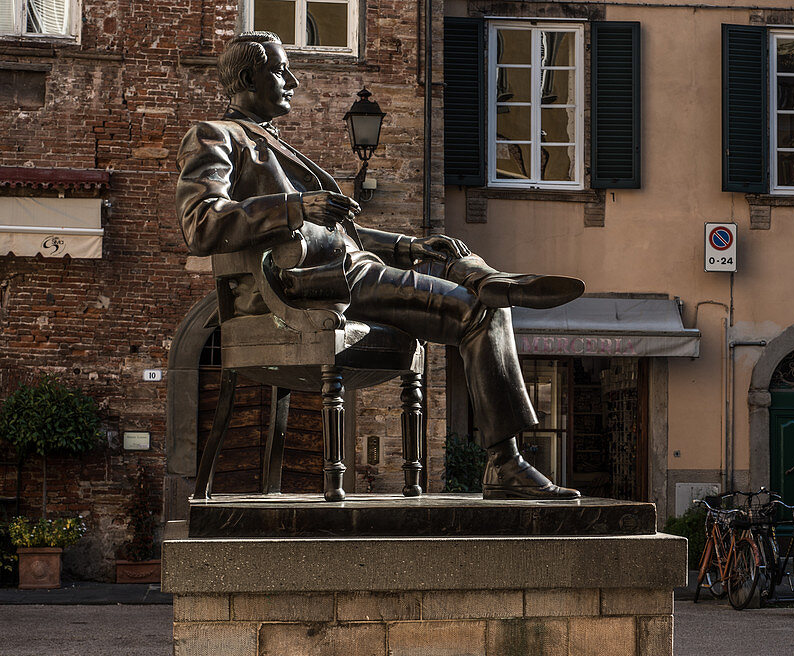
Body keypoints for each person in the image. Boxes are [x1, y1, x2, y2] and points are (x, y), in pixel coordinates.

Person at [176, 31, 585, 500]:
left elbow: (341, 234)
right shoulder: (214, 135)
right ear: (248, 76)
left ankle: (485, 277)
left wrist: (411, 246)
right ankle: (505, 463)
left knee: (444, 251)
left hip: (350, 268)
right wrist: (297, 207)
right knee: (480, 312)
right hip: (315, 284)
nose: (291, 80)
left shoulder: (269, 141)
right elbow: (201, 223)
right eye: (280, 70)